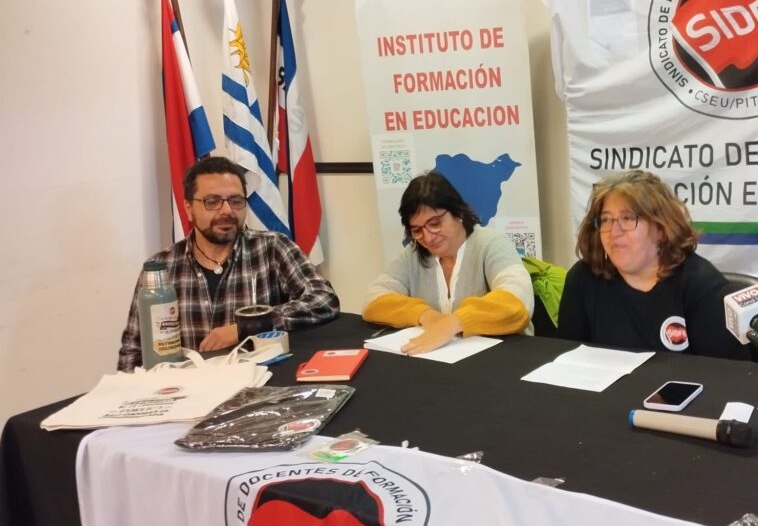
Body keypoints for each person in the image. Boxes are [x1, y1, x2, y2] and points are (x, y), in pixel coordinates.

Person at [117, 156, 340, 371]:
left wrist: (248, 328)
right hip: (186, 394)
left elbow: (324, 299)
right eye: (212, 201)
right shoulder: (160, 268)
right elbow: (133, 351)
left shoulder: (272, 248)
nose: (227, 211)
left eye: (236, 201)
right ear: (188, 209)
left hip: (259, 389)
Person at [558, 170, 750, 358]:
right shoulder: (583, 279)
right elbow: (568, 363)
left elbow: (723, 378)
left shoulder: (701, 285)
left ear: (661, 228)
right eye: (606, 220)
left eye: (628, 218)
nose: (613, 231)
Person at [363, 171, 533, 354]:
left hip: (503, 358)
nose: (427, 237)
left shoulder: (491, 243)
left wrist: (454, 323)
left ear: (457, 212)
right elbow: (373, 299)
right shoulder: (414, 255)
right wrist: (426, 316)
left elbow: (518, 301)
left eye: (435, 223)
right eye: (417, 230)